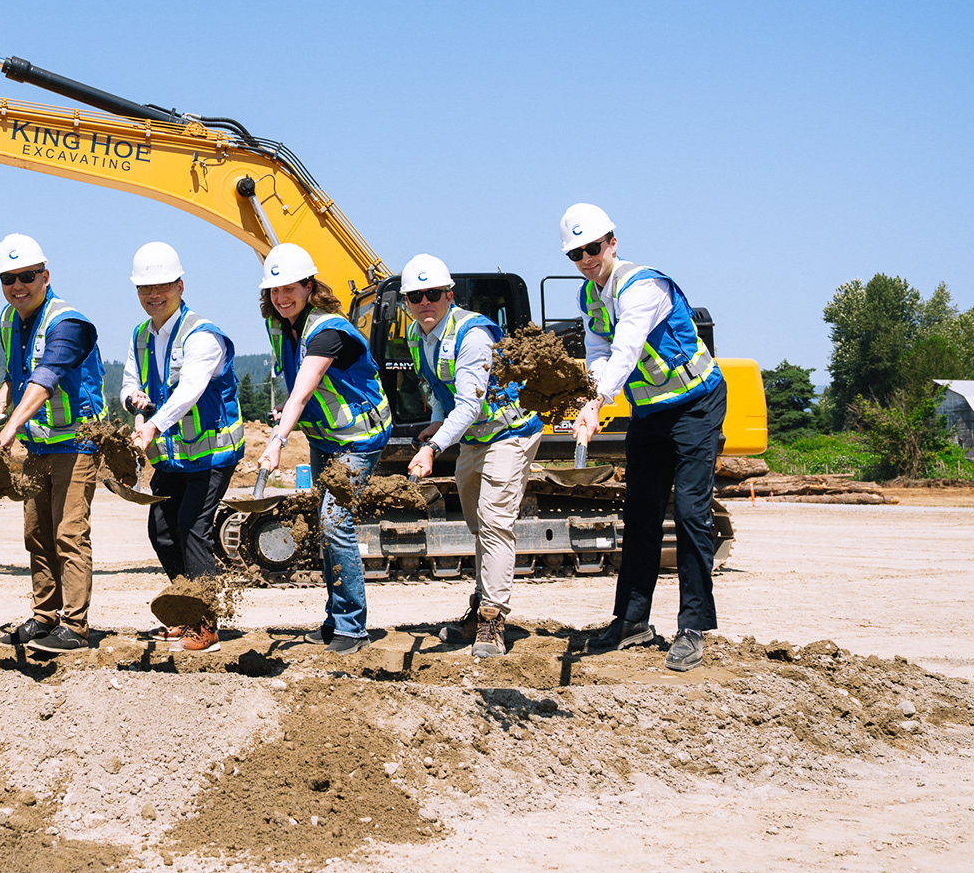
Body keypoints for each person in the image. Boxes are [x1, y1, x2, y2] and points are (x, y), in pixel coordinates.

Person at [563, 204, 728, 672]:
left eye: (593, 248)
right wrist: (594, 395)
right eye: (576, 253)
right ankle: (631, 621)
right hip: (650, 411)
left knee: (693, 513)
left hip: (696, 404)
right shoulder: (589, 296)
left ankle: (693, 627)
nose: (586, 258)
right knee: (640, 513)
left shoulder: (643, 286)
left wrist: (595, 405)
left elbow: (627, 346)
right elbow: (598, 350)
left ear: (612, 242)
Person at [396, 254, 544, 659]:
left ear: (449, 294)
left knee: (496, 524)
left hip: (509, 433)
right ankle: (481, 608)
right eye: (415, 296)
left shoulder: (473, 334)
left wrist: (432, 447)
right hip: (474, 439)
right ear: (406, 301)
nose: (424, 302)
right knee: (480, 527)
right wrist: (435, 422)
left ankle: (492, 621)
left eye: (432, 294)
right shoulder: (417, 334)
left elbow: (472, 404)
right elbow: (444, 391)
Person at [255, 242, 391, 654]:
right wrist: (288, 411)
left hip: (358, 438)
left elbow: (305, 386)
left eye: (290, 288)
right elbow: (296, 384)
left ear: (309, 286)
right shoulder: (283, 325)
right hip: (325, 436)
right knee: (324, 525)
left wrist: (277, 440)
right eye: (274, 291)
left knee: (335, 523)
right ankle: (335, 619)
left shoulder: (328, 330)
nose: (281, 297)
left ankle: (352, 625)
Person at [0, 232, 107, 655]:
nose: (18, 285)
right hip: (39, 448)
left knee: (69, 534)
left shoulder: (68, 323)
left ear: (45, 276)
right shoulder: (8, 319)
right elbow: (17, 373)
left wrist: (11, 426)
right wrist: (1, 400)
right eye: (8, 278)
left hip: (76, 447)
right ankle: (44, 617)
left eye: (27, 276)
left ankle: (75, 626)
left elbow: (46, 376)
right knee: (37, 534)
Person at [121, 242, 245, 653]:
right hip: (173, 457)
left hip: (211, 454)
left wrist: (154, 423)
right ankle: (184, 610)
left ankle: (205, 624)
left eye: (162, 287)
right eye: (145, 288)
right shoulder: (141, 336)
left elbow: (190, 388)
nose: (153, 295)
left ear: (180, 284)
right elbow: (129, 382)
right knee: (161, 530)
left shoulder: (202, 335)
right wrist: (133, 402)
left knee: (193, 527)